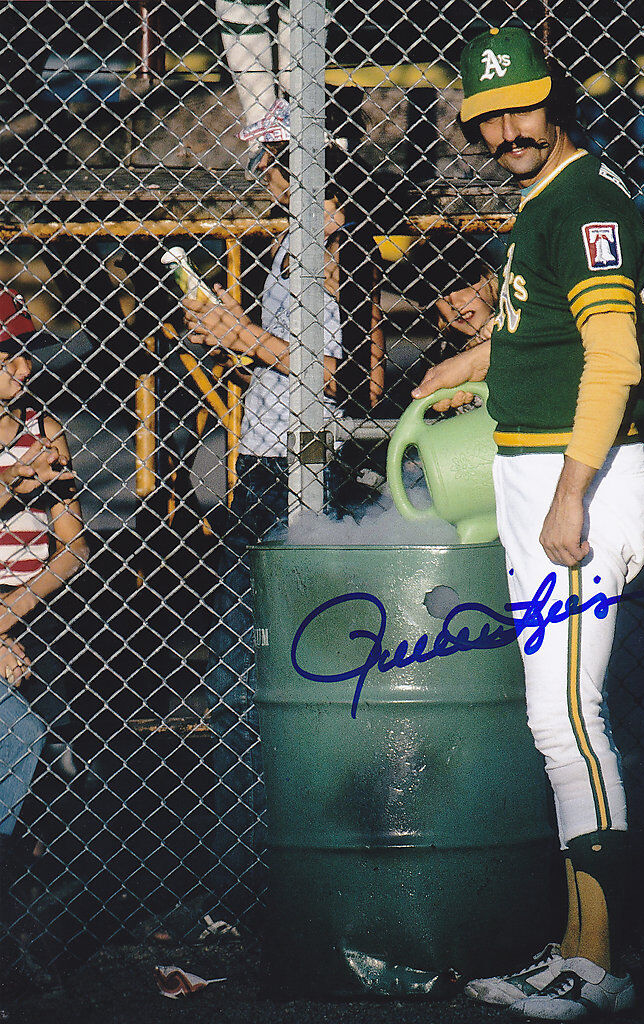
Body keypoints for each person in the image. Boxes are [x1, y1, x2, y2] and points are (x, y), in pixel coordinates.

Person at [412, 24, 644, 1021]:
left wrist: (567, 497)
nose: (508, 128)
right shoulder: (541, 207)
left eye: (522, 106)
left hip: (577, 482)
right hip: (541, 474)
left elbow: (612, 361)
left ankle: (595, 966)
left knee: (567, 722)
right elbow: (545, 344)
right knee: (554, 721)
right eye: (488, 116)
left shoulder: (585, 205)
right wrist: (464, 371)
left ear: (557, 100)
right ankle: (571, 948)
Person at [182, 99, 384, 924]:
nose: (269, 180)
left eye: (281, 165)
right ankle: (278, 870)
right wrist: (232, 340)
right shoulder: (302, 247)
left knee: (249, 675)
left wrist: (243, 337)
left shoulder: (323, 248)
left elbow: (332, 373)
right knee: (263, 668)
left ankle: (257, 881)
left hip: (296, 473)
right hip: (277, 465)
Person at [0, 288, 87, 1000]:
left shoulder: (43, 428)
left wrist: (11, 614)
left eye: (25, 352)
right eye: (7, 354)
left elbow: (72, 547)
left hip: (26, 615)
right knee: (18, 731)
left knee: (55, 758)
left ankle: (25, 934)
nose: (23, 367)